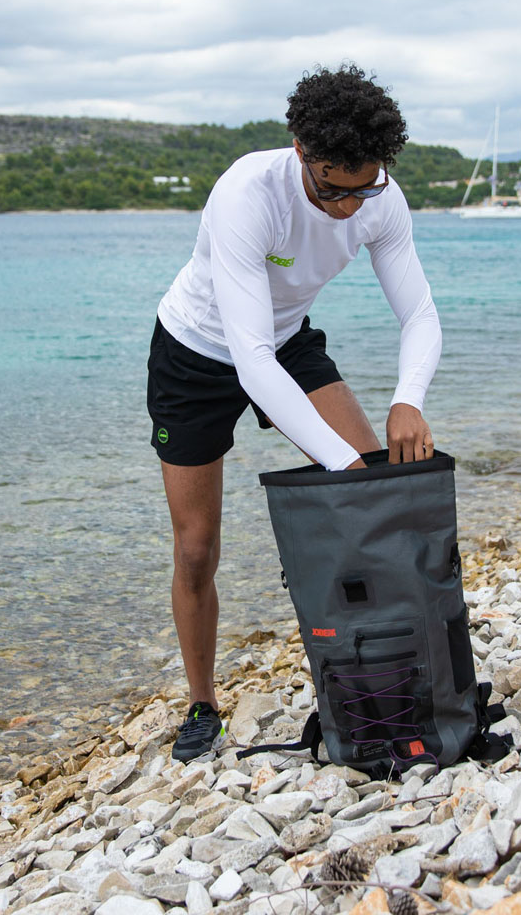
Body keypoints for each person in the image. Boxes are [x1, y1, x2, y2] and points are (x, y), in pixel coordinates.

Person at [147, 63, 443, 761]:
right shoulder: (248, 194)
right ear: (300, 149)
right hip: (197, 353)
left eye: (361, 189)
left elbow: (420, 313)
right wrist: (336, 463)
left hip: (287, 340)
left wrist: (409, 399)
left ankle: (391, 673)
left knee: (378, 497)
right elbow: (250, 362)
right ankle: (201, 704)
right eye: (331, 190)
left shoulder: (379, 196)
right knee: (196, 548)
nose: (347, 209)